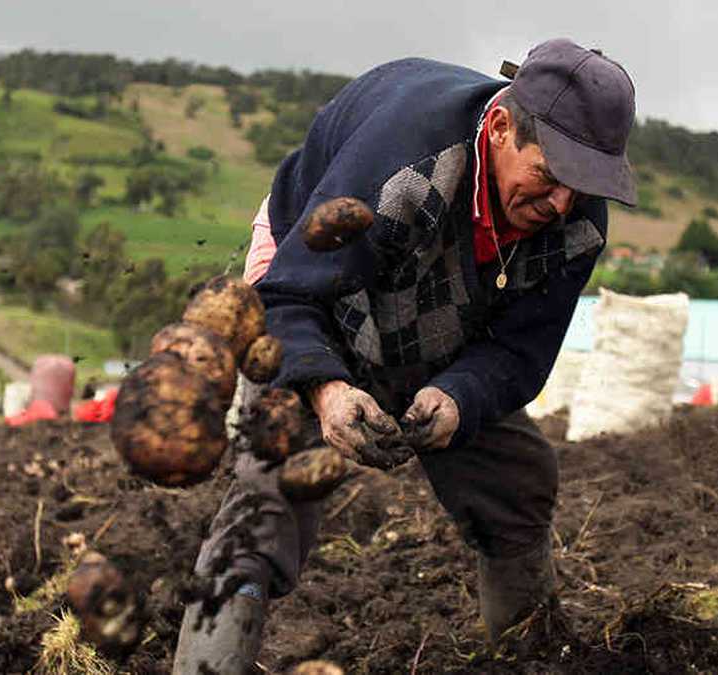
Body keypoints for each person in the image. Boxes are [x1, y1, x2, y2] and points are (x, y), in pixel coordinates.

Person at [173, 38, 637, 673]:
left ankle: (530, 657)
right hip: (313, 296)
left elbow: (521, 350)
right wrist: (327, 389)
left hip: (445, 319)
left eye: (580, 187)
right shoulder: (403, 166)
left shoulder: (576, 223)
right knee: (269, 502)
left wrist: (459, 396)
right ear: (501, 128)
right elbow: (287, 296)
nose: (561, 202)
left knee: (518, 483)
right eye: (551, 176)